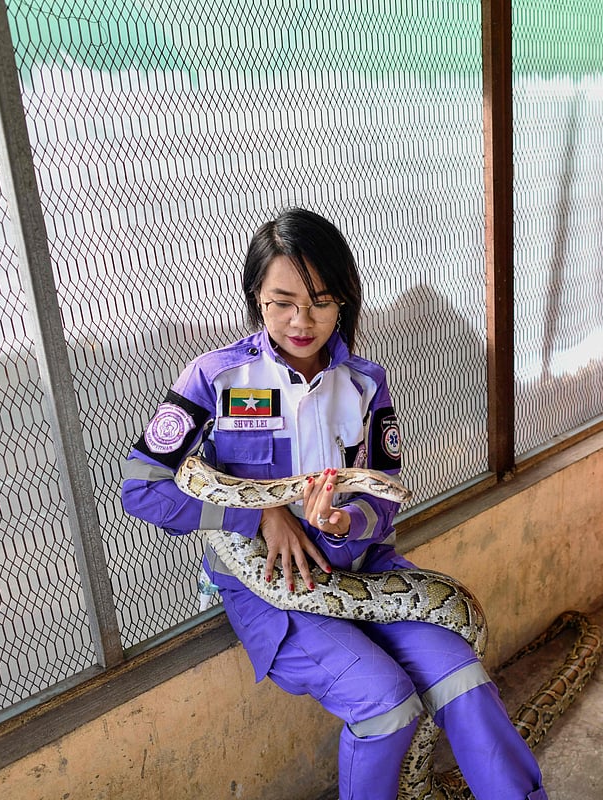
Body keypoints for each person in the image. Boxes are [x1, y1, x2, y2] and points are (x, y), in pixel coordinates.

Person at [120, 207, 548, 800]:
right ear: (256, 297)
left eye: (321, 300)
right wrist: (259, 513)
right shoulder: (217, 378)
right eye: (282, 301)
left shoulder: (366, 383)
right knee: (386, 704)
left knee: (464, 681)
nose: (302, 320)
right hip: (276, 588)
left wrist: (346, 523)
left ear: (344, 300)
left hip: (366, 569)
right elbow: (143, 488)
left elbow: (384, 495)